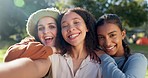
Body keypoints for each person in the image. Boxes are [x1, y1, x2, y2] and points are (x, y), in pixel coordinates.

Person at [2, 7, 101, 78]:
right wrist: (52, 50)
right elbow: (33, 67)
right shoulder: (47, 54)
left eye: (52, 26)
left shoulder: (100, 61)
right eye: (41, 28)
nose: (45, 32)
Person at [94, 14, 147, 78]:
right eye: (101, 37)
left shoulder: (137, 59)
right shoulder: (95, 60)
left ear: (123, 34)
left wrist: (104, 56)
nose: (107, 43)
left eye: (112, 35)